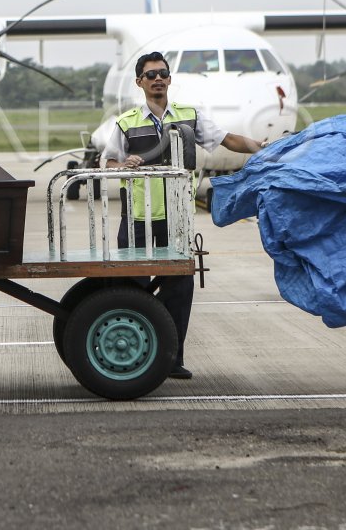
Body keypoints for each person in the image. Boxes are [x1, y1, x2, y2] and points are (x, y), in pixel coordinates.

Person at [103, 51, 266, 380]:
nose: (158, 79)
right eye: (151, 75)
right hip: (137, 218)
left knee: (179, 288)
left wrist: (261, 147)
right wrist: (124, 165)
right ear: (140, 83)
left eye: (163, 73)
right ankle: (138, 359)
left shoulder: (190, 116)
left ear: (169, 79)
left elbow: (226, 139)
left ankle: (172, 360)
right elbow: (107, 163)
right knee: (133, 287)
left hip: (176, 218)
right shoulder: (126, 123)